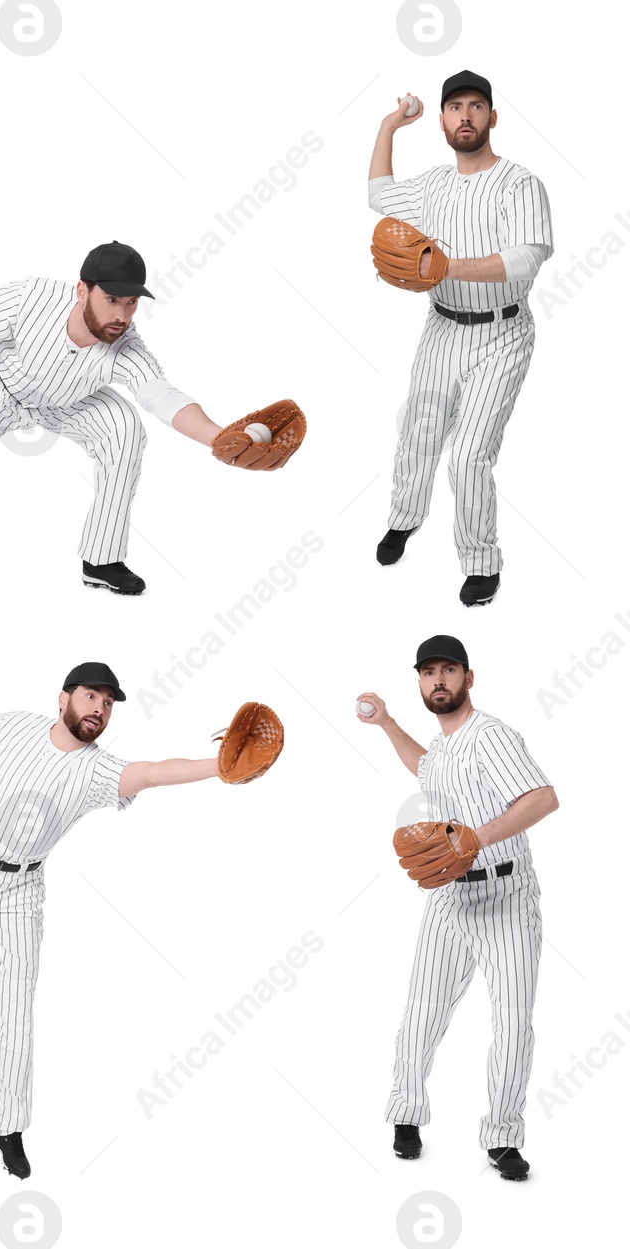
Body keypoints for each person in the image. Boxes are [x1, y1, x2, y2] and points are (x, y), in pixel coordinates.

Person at [0, 663, 263, 1177]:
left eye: (108, 702)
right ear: (64, 699)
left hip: (19, 889)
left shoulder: (98, 772)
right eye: (90, 696)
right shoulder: (18, 727)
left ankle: (5, 1126)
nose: (99, 708)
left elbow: (151, 771)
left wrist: (219, 765)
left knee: (15, 1007)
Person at [0, 242, 268, 595]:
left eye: (132, 302)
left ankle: (101, 561)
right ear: (83, 290)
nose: (123, 314)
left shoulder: (126, 345)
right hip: (3, 387)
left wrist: (221, 438)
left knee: (125, 427)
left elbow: (160, 395)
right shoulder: (31, 296)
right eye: (112, 299)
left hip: (72, 401)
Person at [356, 634, 558, 1179]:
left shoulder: (492, 735)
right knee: (422, 1012)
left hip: (507, 896)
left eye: (449, 670)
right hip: (450, 896)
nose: (438, 680)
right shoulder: (444, 746)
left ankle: (502, 1138)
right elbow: (425, 769)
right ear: (420, 682)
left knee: (513, 1022)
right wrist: (388, 724)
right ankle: (406, 1115)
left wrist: (475, 838)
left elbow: (542, 798)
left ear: (470, 678)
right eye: (428, 673)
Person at [368, 70, 552, 606]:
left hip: (504, 332)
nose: (465, 115)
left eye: (475, 106)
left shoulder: (520, 183)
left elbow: (527, 257)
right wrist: (388, 126)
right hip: (442, 327)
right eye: (454, 107)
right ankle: (404, 519)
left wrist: (445, 266)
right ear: (444, 120)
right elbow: (378, 195)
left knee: (470, 453)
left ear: (492, 117)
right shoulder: (433, 185)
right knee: (420, 433)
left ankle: (480, 561)